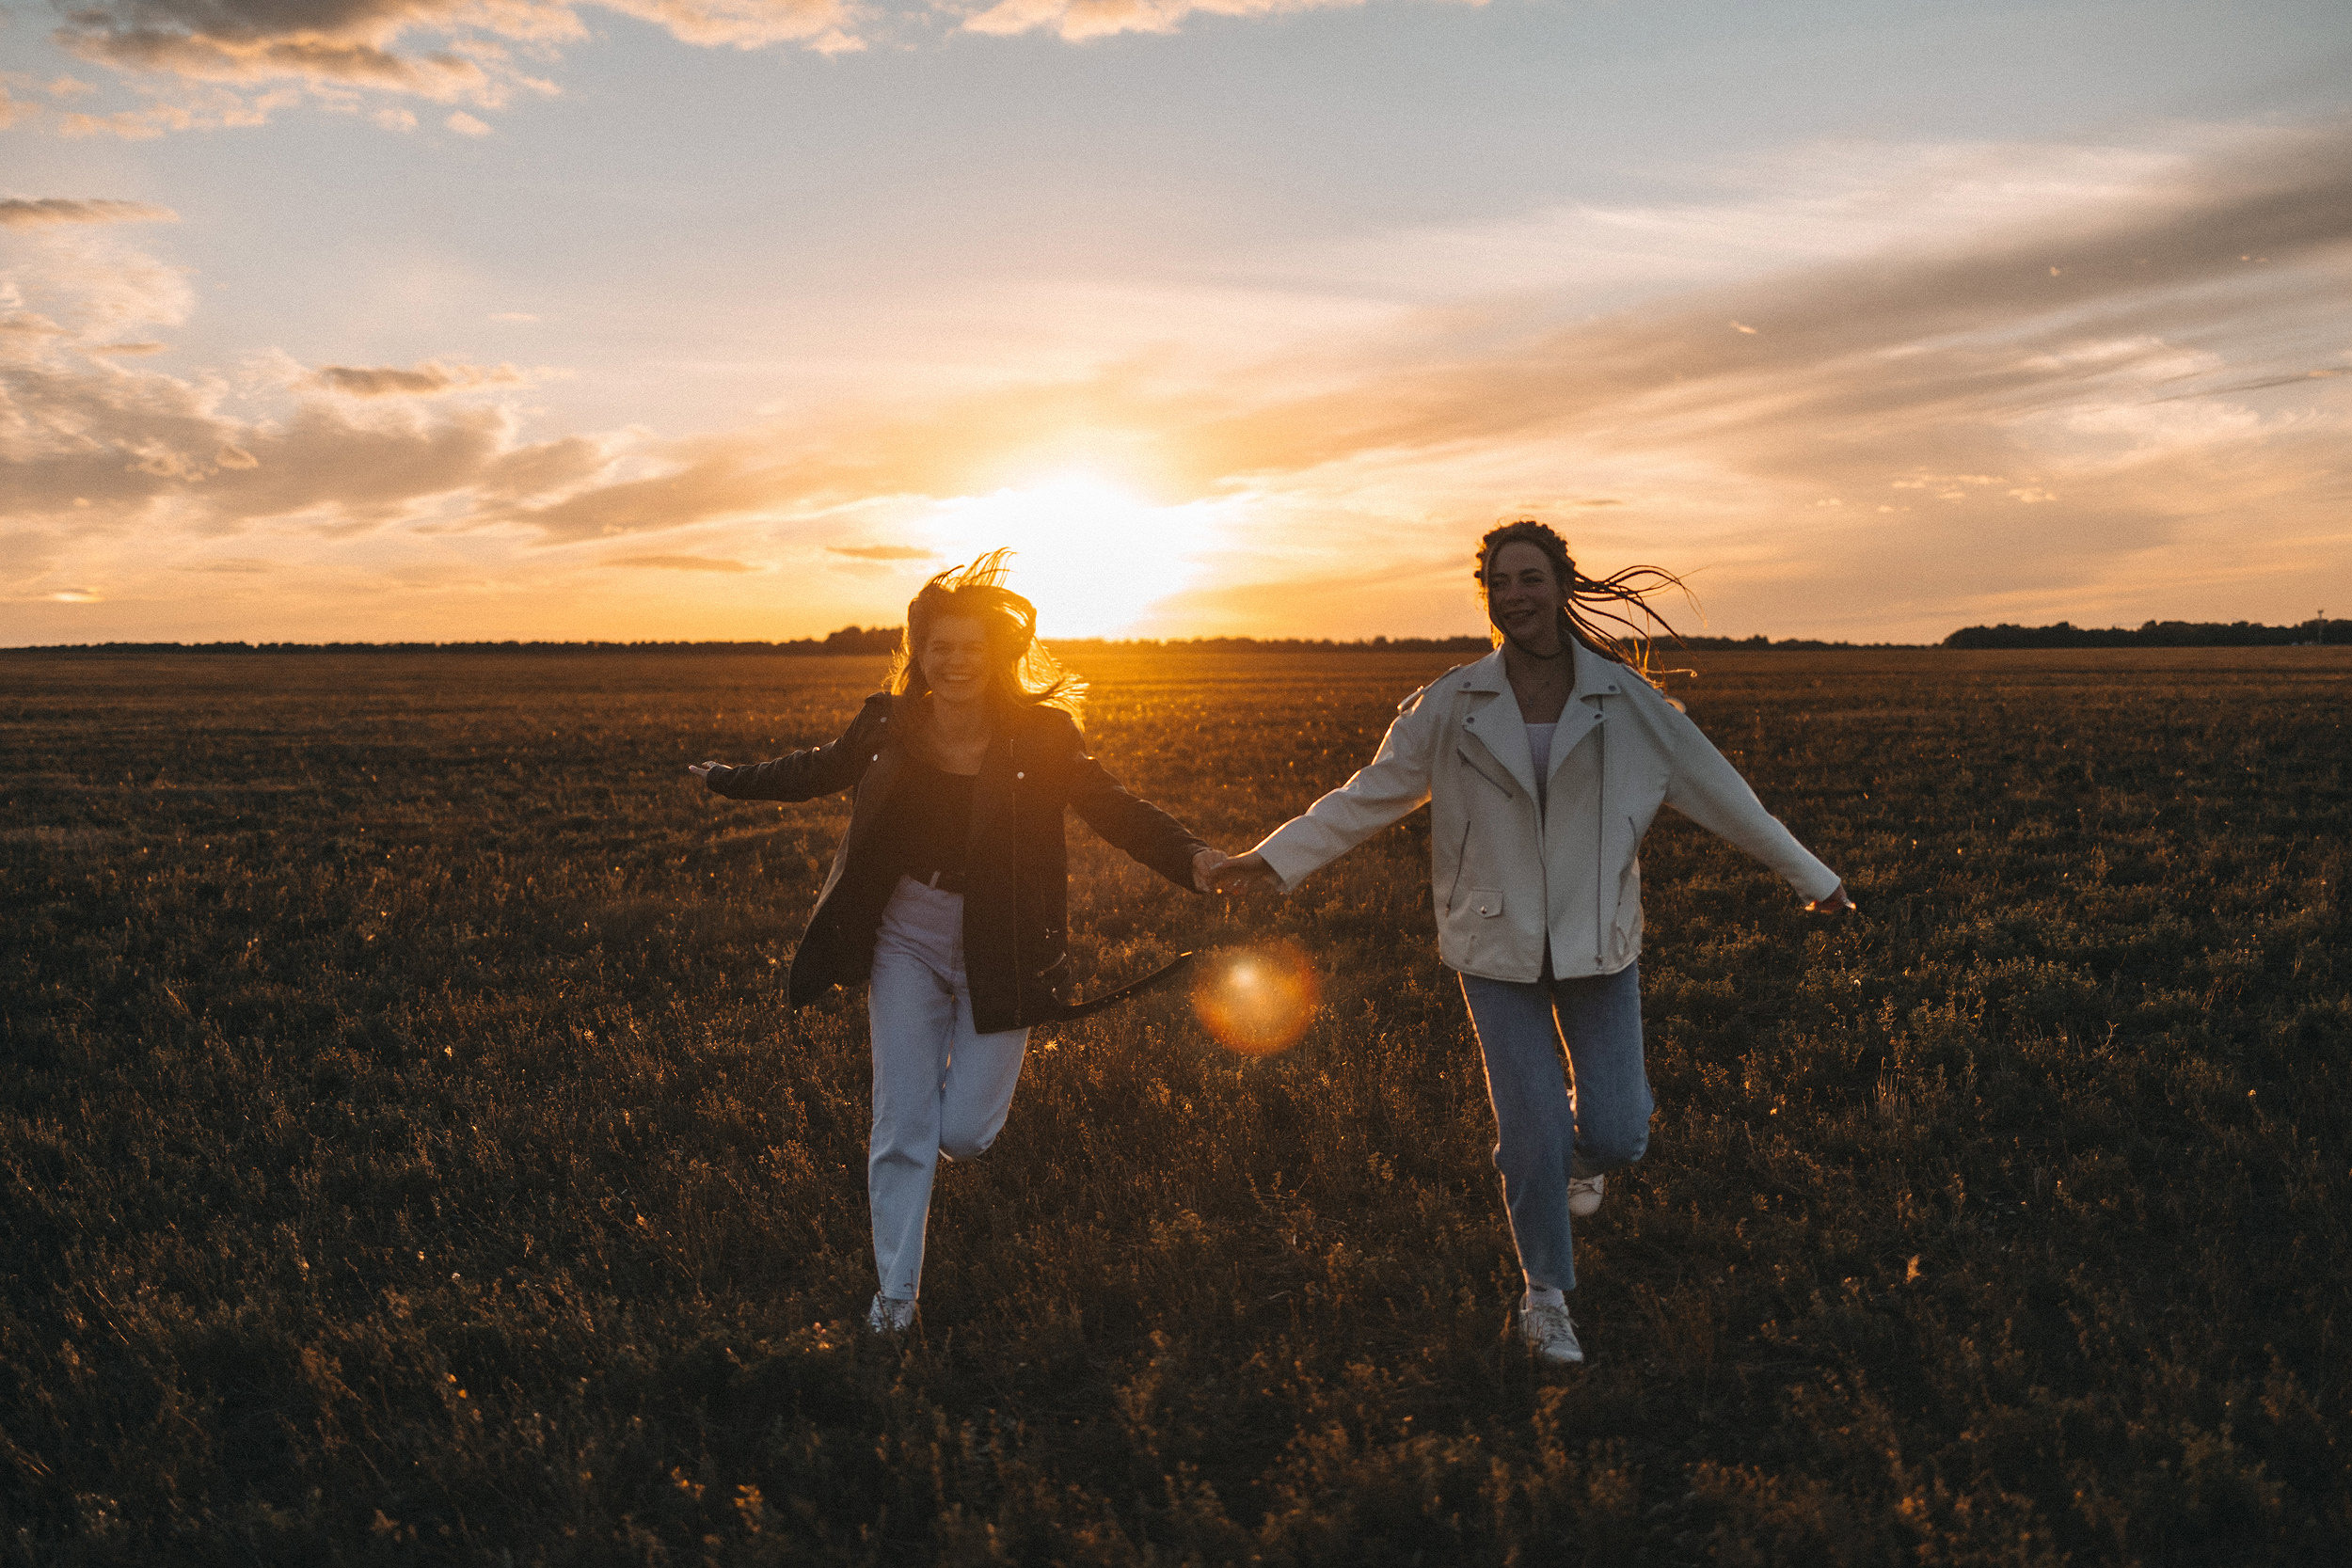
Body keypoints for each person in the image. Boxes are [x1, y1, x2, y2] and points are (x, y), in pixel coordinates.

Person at [1210, 520, 1853, 1366]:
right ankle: (1545, 1294)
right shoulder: (1451, 702)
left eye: (1530, 578)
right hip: (1494, 945)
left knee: (1620, 1133)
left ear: (1561, 584)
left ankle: (1576, 1160)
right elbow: (1369, 795)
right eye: (1499, 583)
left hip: (1599, 946)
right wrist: (1274, 861)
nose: (1515, 595)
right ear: (1487, 596)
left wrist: (1816, 879)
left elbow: (1728, 797)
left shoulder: (1628, 704)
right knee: (1533, 1132)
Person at [691, 552, 1224, 1337]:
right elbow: (819, 768)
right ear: (921, 654)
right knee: (900, 1124)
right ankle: (895, 1301)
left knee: (966, 1134)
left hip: (1002, 942)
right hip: (904, 932)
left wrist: (1195, 859)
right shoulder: (888, 720)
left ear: (1002, 653)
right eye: (940, 645)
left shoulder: (1042, 734)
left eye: (972, 645)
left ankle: (934, 1124)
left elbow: (1110, 804)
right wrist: (729, 778)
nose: (955, 659)